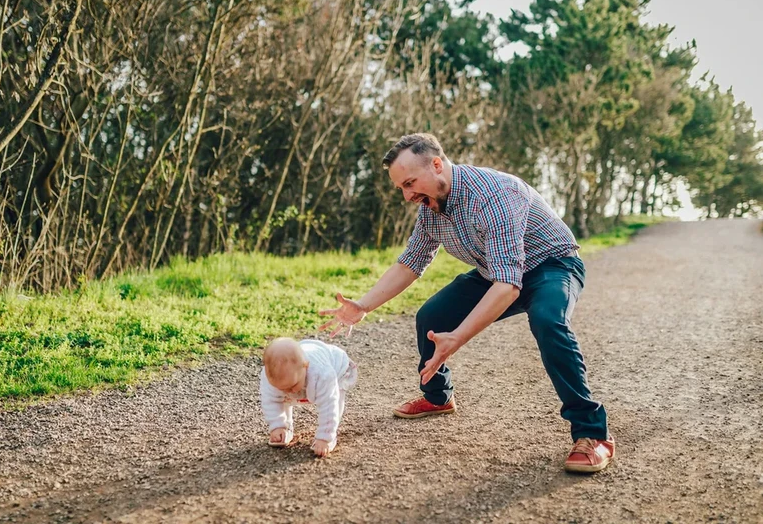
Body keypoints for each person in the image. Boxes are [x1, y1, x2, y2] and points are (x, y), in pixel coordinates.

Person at [318, 133, 614, 473]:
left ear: (437, 165)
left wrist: (457, 337)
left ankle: (594, 434)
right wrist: (363, 306)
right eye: (401, 187)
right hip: (496, 269)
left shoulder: (496, 195)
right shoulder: (432, 206)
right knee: (432, 315)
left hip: (551, 266)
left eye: (410, 183)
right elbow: (411, 262)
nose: (407, 195)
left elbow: (509, 287)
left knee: (548, 321)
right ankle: (438, 397)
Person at [260, 337, 358, 457]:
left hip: (337, 366)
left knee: (335, 397)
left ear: (305, 366)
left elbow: (329, 404)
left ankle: (330, 437)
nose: (288, 391)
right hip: (307, 357)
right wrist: (277, 426)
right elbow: (271, 401)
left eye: (292, 386)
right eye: (281, 387)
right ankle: (285, 427)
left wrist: (324, 438)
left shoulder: (323, 374)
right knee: (281, 397)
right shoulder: (271, 377)